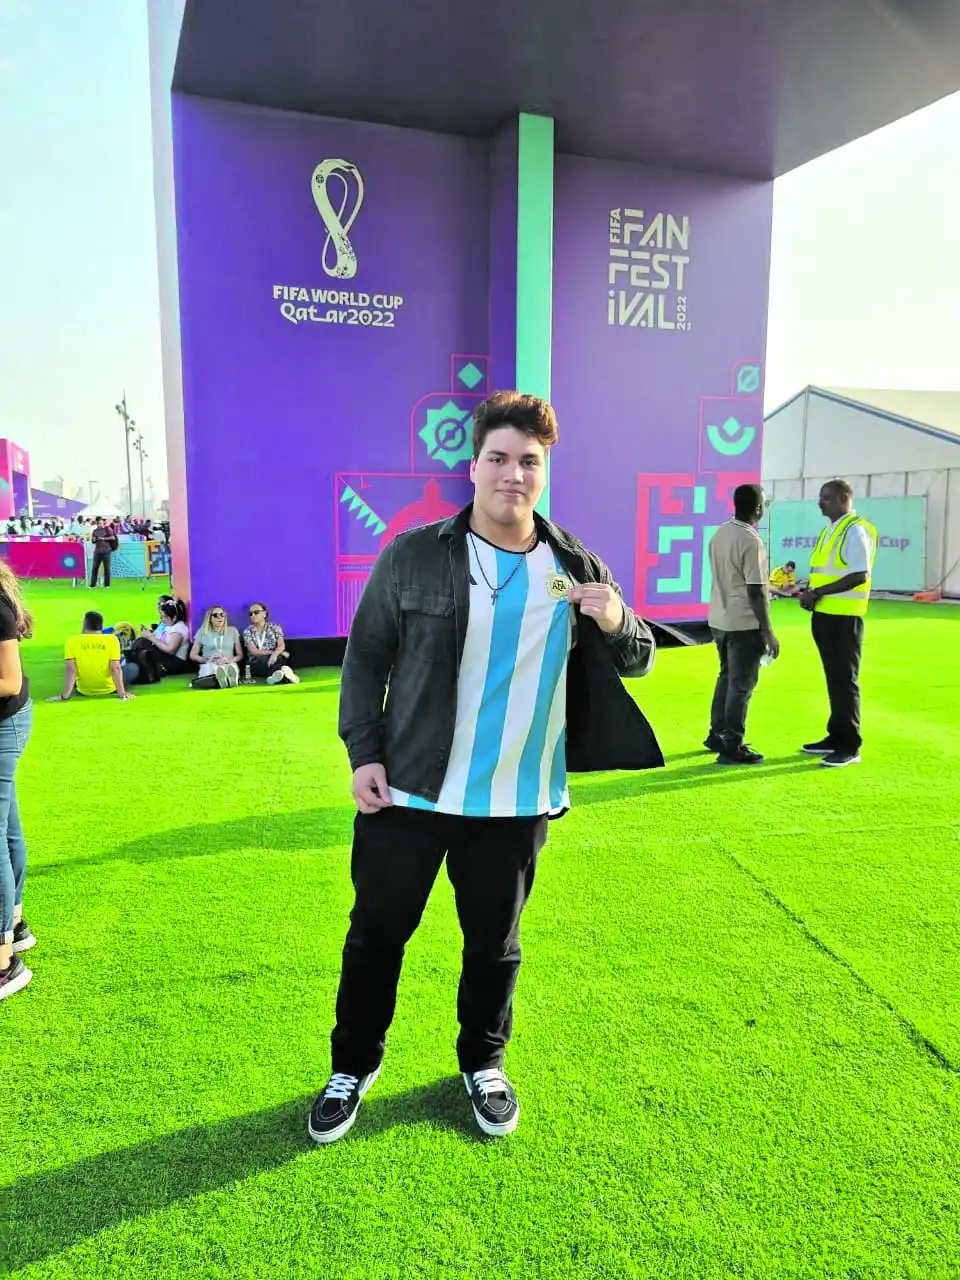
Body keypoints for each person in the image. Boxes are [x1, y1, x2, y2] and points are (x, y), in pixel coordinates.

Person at [308, 391, 663, 1146]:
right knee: (376, 936)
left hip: (515, 800)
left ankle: (484, 1063)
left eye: (529, 461)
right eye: (498, 458)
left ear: (545, 471)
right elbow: (365, 657)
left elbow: (638, 657)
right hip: (408, 790)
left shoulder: (572, 567)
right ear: (473, 467)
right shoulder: (413, 555)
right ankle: (352, 1066)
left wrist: (614, 617)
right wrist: (363, 753)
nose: (513, 474)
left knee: (494, 947)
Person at [799, 479, 876, 767]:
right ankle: (836, 735)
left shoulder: (855, 530)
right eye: (821, 497)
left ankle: (850, 745)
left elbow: (859, 575)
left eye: (827, 497)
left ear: (845, 498)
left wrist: (818, 592)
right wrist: (809, 593)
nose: (821, 502)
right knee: (835, 679)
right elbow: (825, 573)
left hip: (845, 618)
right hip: (825, 615)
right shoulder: (829, 530)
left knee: (845, 681)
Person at [705, 483, 779, 765]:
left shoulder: (720, 533)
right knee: (741, 685)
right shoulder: (750, 540)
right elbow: (756, 591)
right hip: (743, 623)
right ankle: (732, 745)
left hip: (720, 619)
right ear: (758, 508)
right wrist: (768, 631)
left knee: (726, 678)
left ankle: (717, 735)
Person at [0, 563, 34, 1002]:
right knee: (7, 827)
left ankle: (4, 961)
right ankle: (14, 925)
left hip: (6, 721)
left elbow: (8, 681)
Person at [47, 611, 136, 702]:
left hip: (84, 690)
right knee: (133, 667)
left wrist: (64, 696)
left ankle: (75, 687)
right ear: (101, 625)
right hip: (109, 688)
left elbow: (71, 670)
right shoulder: (112, 640)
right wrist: (122, 693)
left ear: (84, 625)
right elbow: (115, 669)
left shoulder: (72, 641)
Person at [243, 602, 300, 684]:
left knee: (280, 658)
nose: (253, 615)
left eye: (256, 612)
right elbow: (254, 651)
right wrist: (273, 653)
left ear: (264, 613)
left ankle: (275, 677)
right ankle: (287, 676)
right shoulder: (248, 631)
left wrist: (276, 654)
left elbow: (281, 645)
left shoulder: (275, 627)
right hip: (257, 660)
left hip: (275, 658)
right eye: (250, 614)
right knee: (266, 660)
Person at [189, 606, 243, 688]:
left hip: (228, 663)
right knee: (213, 669)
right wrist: (207, 660)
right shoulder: (202, 632)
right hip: (210, 663)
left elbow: (240, 655)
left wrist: (228, 660)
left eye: (222, 614)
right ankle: (224, 681)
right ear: (210, 618)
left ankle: (226, 680)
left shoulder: (233, 631)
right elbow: (192, 655)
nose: (220, 617)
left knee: (230, 668)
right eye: (216, 615)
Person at [89, 517, 118, 588]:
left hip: (106, 551)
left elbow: (113, 537)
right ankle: (93, 584)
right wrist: (93, 539)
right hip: (97, 551)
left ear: (103, 523)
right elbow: (93, 541)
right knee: (94, 568)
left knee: (107, 568)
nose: (99, 524)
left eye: (100, 523)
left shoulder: (107, 529)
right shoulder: (95, 531)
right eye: (98, 523)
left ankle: (107, 585)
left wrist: (103, 538)